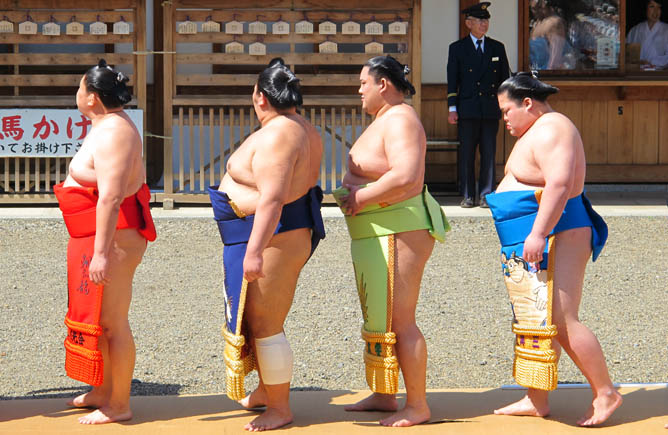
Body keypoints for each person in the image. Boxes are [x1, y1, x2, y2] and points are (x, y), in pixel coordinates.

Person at [485, 72, 622, 426]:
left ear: (527, 103)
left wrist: (538, 233)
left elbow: (560, 184)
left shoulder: (551, 127)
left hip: (557, 232)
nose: (505, 119)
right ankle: (536, 397)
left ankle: (606, 392)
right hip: (540, 234)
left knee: (561, 319)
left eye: (506, 111)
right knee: (536, 318)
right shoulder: (541, 128)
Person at [207, 58, 325, 432]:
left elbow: (273, 199)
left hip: (275, 235)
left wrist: (255, 251)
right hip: (280, 231)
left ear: (259, 96)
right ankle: (265, 390)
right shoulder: (301, 128)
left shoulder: (278, 134)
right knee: (259, 320)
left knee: (266, 322)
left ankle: (279, 407)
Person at [334, 55, 450, 427]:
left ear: (383, 84)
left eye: (364, 83)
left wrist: (359, 198)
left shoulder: (400, 118)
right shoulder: (386, 120)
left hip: (399, 227)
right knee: (381, 317)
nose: (360, 90)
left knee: (401, 320)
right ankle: (385, 393)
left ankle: (417, 405)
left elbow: (407, 176)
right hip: (377, 229)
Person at [53, 59, 156, 424]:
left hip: (113, 237)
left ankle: (119, 403)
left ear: (93, 97)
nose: (77, 94)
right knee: (96, 319)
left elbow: (111, 197)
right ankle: (102, 389)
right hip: (94, 234)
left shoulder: (115, 132)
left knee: (113, 322)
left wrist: (100, 254)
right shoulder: (105, 125)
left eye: (81, 88)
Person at [447, 2, 510, 208]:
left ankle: (486, 194)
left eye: (486, 20)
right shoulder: (457, 49)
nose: (484, 24)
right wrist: (452, 108)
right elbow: (452, 80)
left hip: (490, 108)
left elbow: (504, 80)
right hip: (467, 108)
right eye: (480, 20)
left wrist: (505, 106)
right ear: (468, 23)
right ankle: (467, 194)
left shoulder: (497, 47)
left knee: (489, 153)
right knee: (467, 154)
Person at [529, 0, 577, 70]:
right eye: (533, 8)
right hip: (536, 71)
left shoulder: (554, 23)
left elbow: (555, 58)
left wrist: (548, 75)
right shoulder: (537, 23)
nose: (535, 11)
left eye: (538, 7)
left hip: (548, 73)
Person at [627, 0, 668, 69]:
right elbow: (628, 56)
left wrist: (653, 63)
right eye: (652, 6)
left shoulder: (666, 29)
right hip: (636, 74)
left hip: (661, 75)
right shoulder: (635, 30)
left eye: (659, 7)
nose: (656, 11)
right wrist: (639, 62)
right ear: (645, 8)